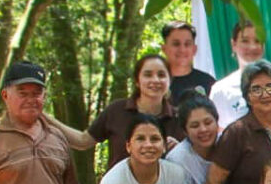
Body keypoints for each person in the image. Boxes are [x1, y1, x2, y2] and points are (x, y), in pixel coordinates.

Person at [51, 54, 185, 169]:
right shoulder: (116, 110)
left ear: (169, 81)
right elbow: (82, 141)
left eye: (161, 75)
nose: (155, 80)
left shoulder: (180, 117)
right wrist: (44, 117)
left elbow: (193, 159)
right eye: (148, 75)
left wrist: (180, 151)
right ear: (137, 81)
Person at [208, 20, 271, 129]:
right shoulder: (220, 90)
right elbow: (219, 131)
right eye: (245, 41)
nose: (252, 47)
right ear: (233, 44)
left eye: (257, 41)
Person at [166, 94, 219, 184]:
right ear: (185, 131)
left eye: (208, 123)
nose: (203, 129)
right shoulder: (177, 160)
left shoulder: (230, 143)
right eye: (195, 126)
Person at [162, 21, 216, 104]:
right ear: (164, 49)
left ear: (194, 49)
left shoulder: (208, 82)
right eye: (176, 44)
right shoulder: (156, 82)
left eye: (187, 44)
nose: (182, 50)